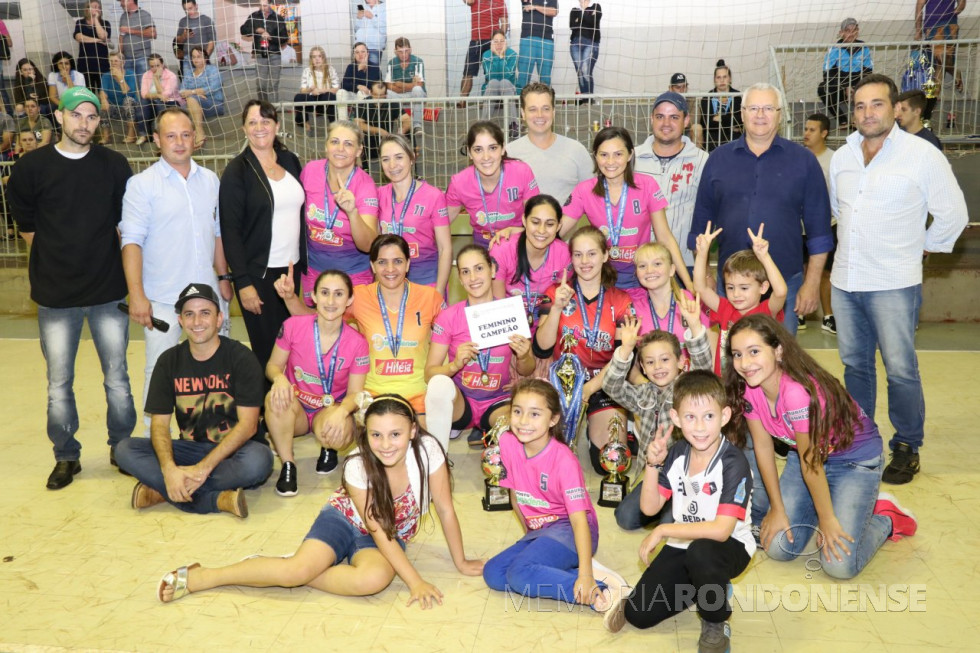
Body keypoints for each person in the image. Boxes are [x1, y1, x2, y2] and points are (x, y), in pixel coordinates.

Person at [156, 395, 484, 606]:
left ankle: (289, 569)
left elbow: (445, 509)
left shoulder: (428, 453)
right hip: (343, 521)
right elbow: (378, 528)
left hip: (384, 537)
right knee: (295, 571)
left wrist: (461, 561)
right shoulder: (358, 465)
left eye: (395, 434)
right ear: (365, 435)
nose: (385, 444)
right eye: (376, 435)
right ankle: (206, 575)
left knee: (372, 581)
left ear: (413, 431)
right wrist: (415, 582)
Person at [829, 73, 967, 485]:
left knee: (900, 368)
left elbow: (954, 214)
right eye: (860, 105)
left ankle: (907, 444)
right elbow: (840, 209)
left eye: (876, 104)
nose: (867, 112)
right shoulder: (842, 156)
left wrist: (923, 246)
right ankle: (860, 436)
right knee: (855, 366)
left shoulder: (921, 155)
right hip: (845, 280)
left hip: (893, 282)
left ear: (895, 108)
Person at [7, 86, 137, 490]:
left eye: (92, 116)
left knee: (117, 377)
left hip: (107, 291)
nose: (84, 123)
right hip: (55, 296)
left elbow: (123, 224)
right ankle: (66, 456)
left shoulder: (115, 165)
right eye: (76, 115)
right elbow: (27, 226)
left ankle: (122, 447)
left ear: (99, 122)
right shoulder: (31, 169)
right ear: (59, 117)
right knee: (58, 382)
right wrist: (58, 258)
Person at [726, 315, 918, 577]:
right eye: (737, 354)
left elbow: (811, 464)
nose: (744, 363)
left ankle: (885, 516)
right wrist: (778, 509)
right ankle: (832, 508)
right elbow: (762, 448)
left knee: (839, 566)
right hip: (805, 460)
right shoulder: (750, 389)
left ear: (778, 350)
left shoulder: (796, 392)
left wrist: (827, 521)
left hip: (855, 463)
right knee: (779, 547)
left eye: (754, 352)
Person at [603, 371, 754, 653]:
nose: (699, 427)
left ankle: (715, 620)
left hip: (728, 546)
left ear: (724, 416)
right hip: (683, 542)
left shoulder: (733, 461)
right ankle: (707, 587)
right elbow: (649, 508)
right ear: (675, 418)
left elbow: (721, 530)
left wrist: (663, 529)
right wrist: (652, 464)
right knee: (639, 615)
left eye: (709, 416)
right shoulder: (677, 453)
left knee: (702, 554)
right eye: (690, 417)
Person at [114, 283, 273, 517]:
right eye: (189, 314)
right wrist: (169, 470)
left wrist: (201, 470)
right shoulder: (168, 361)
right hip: (190, 449)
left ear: (219, 319)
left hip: (234, 452)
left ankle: (162, 492)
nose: (197, 321)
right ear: (181, 321)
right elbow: (159, 425)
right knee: (124, 449)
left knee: (259, 461)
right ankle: (216, 499)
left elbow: (248, 426)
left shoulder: (241, 358)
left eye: (205, 313)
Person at [690, 82, 833, 336]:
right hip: (730, 285)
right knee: (731, 361)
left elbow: (820, 233)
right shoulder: (718, 160)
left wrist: (811, 284)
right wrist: (707, 274)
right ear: (742, 112)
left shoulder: (804, 161)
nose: (760, 115)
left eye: (768, 108)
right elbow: (701, 225)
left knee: (782, 361)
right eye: (753, 108)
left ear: (780, 114)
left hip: (784, 284)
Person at [120, 107, 229, 434]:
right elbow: (131, 242)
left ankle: (213, 436)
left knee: (216, 370)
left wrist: (223, 278)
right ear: (156, 140)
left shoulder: (210, 179)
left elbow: (218, 233)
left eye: (186, 134)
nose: (179, 142)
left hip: (209, 297)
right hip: (163, 299)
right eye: (171, 136)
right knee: (159, 371)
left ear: (195, 138)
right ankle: (154, 442)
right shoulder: (141, 185)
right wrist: (137, 295)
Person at [483, 379, 626, 618]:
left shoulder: (564, 460)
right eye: (517, 411)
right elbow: (516, 495)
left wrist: (586, 576)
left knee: (520, 574)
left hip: (571, 527)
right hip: (542, 530)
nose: (524, 421)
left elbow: (579, 520)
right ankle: (575, 570)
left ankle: (599, 590)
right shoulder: (507, 442)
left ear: (553, 419)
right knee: (494, 573)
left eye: (535, 414)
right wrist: (529, 535)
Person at [600, 295, 713, 531]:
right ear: (642, 367)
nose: (658, 367)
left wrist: (694, 326)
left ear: (681, 362)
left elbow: (704, 366)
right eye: (650, 363)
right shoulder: (643, 394)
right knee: (625, 517)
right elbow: (611, 386)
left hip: (689, 478)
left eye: (664, 360)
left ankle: (683, 507)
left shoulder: (690, 388)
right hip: (656, 475)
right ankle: (663, 505)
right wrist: (626, 350)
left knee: (670, 527)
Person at [533, 226, 634, 473]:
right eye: (578, 255)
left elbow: (624, 356)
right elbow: (542, 348)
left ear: (605, 256)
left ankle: (623, 431)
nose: (585, 261)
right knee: (546, 458)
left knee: (609, 463)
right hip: (561, 384)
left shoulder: (621, 300)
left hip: (603, 384)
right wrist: (556, 308)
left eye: (591, 254)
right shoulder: (554, 294)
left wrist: (587, 389)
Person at [219, 100, 307, 372]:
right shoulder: (237, 171)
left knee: (294, 349)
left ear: (276, 126)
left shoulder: (291, 161)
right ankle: (265, 413)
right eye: (252, 122)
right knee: (268, 355)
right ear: (244, 128)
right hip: (259, 276)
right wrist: (242, 283)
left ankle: (289, 413)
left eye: (265, 121)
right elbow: (230, 231)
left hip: (293, 272)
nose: (259, 128)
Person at [265, 270, 369, 494]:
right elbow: (272, 366)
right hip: (298, 410)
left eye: (339, 294)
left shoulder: (358, 342)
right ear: (313, 296)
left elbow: (356, 394)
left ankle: (328, 446)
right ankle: (287, 464)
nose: (331, 301)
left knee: (342, 428)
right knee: (274, 397)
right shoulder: (293, 326)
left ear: (349, 300)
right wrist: (280, 378)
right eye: (325, 293)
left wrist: (342, 414)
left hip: (329, 410)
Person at [424, 245, 536, 449]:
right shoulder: (448, 317)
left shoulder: (510, 312)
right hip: (462, 403)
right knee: (438, 384)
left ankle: (496, 438)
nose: (473, 277)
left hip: (498, 401)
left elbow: (526, 370)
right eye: (465, 272)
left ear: (492, 270)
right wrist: (455, 365)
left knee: (517, 432)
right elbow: (429, 374)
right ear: (459, 278)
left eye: (479, 268)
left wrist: (524, 355)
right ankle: (436, 459)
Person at [562, 126, 693, 292]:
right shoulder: (584, 190)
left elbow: (665, 237)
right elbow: (556, 232)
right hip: (600, 277)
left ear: (630, 155)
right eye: (604, 155)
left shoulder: (647, 185)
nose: (610, 162)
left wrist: (688, 284)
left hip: (641, 277)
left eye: (618, 154)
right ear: (595, 156)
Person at [346, 235, 445, 417]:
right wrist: (290, 299)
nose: (390, 269)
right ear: (373, 266)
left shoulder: (429, 297)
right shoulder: (358, 296)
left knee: (421, 442)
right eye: (382, 262)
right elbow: (323, 318)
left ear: (408, 264)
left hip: (419, 395)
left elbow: (454, 334)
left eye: (398, 261)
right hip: (371, 395)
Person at [299, 120, 379, 297]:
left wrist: (352, 213)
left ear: (359, 151)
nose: (340, 149)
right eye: (334, 141)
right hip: (314, 273)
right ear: (326, 146)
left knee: (351, 325)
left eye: (348, 144)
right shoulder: (310, 171)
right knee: (315, 323)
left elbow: (368, 245)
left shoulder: (365, 185)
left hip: (354, 276)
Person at [694, 222, 786, 375]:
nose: (736, 294)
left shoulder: (765, 311)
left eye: (744, 288)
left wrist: (764, 257)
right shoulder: (724, 308)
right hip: (726, 384)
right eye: (730, 287)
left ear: (763, 287)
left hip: (756, 383)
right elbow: (700, 288)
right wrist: (703, 253)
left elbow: (781, 292)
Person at [634, 91, 709, 275]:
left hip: (686, 264)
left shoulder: (702, 161)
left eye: (674, 117)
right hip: (640, 265)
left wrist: (705, 271)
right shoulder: (632, 158)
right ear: (652, 118)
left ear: (686, 121)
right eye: (660, 116)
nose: (666, 124)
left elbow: (708, 215)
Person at [446, 120, 539, 249]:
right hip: (482, 244)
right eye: (478, 150)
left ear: (503, 149)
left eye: (493, 148)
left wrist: (515, 231)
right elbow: (441, 224)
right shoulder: (459, 183)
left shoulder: (521, 172)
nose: (486, 157)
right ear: (469, 153)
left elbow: (538, 219)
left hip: (519, 240)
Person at [377, 134, 452, 292]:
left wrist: (438, 291)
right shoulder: (377, 195)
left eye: (399, 157)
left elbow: (445, 249)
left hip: (427, 281)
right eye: (385, 159)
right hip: (390, 282)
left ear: (411, 159)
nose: (392, 165)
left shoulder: (434, 195)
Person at [490, 194, 571, 331]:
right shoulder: (501, 250)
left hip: (546, 323)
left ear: (558, 227)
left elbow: (560, 304)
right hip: (507, 324)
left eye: (550, 224)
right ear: (524, 220)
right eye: (535, 222)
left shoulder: (564, 253)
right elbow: (497, 305)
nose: (541, 230)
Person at [506, 83, 593, 205]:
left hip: (570, 223)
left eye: (546, 109)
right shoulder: (509, 153)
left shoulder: (577, 150)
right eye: (533, 109)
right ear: (523, 113)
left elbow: (593, 197)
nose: (540, 115)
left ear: (553, 112)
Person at [626, 242, 711, 361]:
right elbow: (631, 362)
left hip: (692, 376)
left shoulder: (692, 301)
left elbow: (711, 350)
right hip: (653, 377)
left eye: (657, 264)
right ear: (636, 274)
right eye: (642, 266)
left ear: (672, 270)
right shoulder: (633, 310)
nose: (649, 270)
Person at [801, 112, 837, 334]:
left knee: (825, 272)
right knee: (801, 271)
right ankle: (799, 313)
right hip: (798, 227)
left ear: (824, 133)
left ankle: (828, 316)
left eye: (812, 130)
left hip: (826, 226)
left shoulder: (834, 160)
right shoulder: (798, 158)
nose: (806, 133)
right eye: (805, 129)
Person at [818, 18, 873, 128]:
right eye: (847, 30)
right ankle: (842, 120)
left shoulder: (864, 48)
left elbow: (868, 71)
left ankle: (857, 118)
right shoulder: (834, 49)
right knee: (823, 88)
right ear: (841, 33)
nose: (851, 34)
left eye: (854, 30)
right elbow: (827, 73)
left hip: (858, 84)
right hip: (840, 85)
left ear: (857, 32)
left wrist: (856, 86)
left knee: (871, 86)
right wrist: (845, 86)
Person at [458, 0, 509, 105]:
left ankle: (490, 102)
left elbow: (504, 22)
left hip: (492, 42)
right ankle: (462, 101)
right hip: (476, 41)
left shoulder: (500, 2)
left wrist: (500, 40)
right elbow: (468, 1)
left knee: (491, 73)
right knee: (468, 73)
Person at [240, 0, 287, 103]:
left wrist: (270, 38)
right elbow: (243, 30)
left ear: (270, 4)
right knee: (261, 85)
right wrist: (256, 29)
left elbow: (284, 38)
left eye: (265, 5)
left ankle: (273, 109)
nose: (263, 8)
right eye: (260, 5)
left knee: (273, 84)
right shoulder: (253, 16)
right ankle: (263, 108)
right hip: (260, 54)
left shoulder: (278, 18)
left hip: (275, 54)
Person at [353, 80, 414, 160]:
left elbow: (407, 119)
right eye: (376, 95)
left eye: (381, 95)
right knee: (359, 135)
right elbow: (358, 124)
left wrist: (401, 131)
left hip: (387, 139)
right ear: (370, 92)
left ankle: (410, 161)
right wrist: (379, 130)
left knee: (408, 132)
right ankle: (365, 168)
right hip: (369, 141)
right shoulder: (363, 104)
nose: (378, 98)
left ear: (386, 94)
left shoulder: (392, 103)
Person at [915, 0, 966, 91]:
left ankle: (934, 97)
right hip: (934, 26)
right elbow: (919, 6)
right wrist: (918, 30)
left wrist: (951, 14)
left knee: (940, 62)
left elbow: (962, 4)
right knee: (940, 60)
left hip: (948, 26)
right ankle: (955, 72)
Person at [180, 46, 225, 148]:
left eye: (199, 56)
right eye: (194, 57)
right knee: (177, 110)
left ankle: (199, 133)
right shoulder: (188, 73)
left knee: (191, 98)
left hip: (214, 103)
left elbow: (214, 87)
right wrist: (197, 93)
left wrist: (192, 92)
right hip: (193, 104)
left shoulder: (212, 70)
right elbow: (182, 91)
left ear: (205, 58)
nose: (196, 59)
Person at [99, 51, 147, 145]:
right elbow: (102, 91)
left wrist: (120, 78)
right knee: (102, 105)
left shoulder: (130, 74)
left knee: (127, 101)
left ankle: (131, 135)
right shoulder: (106, 76)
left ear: (123, 62)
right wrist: (104, 100)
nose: (113, 63)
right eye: (111, 61)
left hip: (132, 106)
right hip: (116, 107)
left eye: (116, 61)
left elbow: (127, 92)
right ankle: (106, 137)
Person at [385, 37, 426, 142]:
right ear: (395, 52)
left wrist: (399, 84)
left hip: (415, 95)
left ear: (410, 49)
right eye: (400, 52)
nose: (404, 54)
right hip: (399, 96)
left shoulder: (418, 61)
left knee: (417, 89)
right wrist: (410, 85)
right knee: (387, 93)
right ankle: (403, 121)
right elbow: (388, 85)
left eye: (406, 51)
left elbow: (419, 84)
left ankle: (417, 125)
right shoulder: (391, 63)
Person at [293, 46, 339, 135]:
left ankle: (333, 125)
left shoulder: (330, 70)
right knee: (298, 97)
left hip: (324, 99)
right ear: (311, 59)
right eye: (314, 57)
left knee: (331, 96)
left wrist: (321, 90)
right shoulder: (307, 71)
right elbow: (302, 90)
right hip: (312, 98)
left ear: (323, 58)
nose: (317, 59)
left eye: (319, 56)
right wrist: (311, 89)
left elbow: (336, 88)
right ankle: (305, 124)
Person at [698, 59, 742, 152]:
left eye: (725, 77)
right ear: (714, 80)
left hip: (734, 137)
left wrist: (720, 118)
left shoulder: (738, 96)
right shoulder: (707, 98)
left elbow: (739, 119)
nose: (722, 80)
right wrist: (729, 121)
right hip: (712, 137)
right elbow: (707, 123)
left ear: (730, 79)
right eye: (718, 77)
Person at [515, 0, 559, 92]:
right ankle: (521, 104)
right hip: (528, 38)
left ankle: (545, 103)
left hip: (546, 40)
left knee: (545, 78)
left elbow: (553, 11)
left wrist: (535, 7)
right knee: (523, 76)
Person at [479, 29, 519, 126]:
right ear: (491, 43)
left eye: (502, 41)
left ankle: (513, 124)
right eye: (496, 41)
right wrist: (496, 56)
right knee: (493, 82)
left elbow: (508, 75)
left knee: (504, 82)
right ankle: (483, 124)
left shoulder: (512, 54)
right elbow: (490, 75)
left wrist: (501, 56)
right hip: (492, 88)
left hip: (508, 87)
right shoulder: (486, 55)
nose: (499, 44)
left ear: (505, 42)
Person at [73, 1, 111, 91]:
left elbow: (103, 36)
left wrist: (96, 19)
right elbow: (79, 37)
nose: (97, 9)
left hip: (102, 64)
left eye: (98, 7)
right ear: (87, 9)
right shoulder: (80, 22)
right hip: (85, 64)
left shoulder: (105, 23)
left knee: (103, 92)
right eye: (94, 6)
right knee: (88, 92)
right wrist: (97, 40)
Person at [569, 1, 601, 99]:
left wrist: (584, 10)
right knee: (580, 72)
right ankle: (585, 99)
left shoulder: (596, 6)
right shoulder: (574, 10)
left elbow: (593, 22)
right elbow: (572, 25)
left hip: (590, 43)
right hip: (575, 44)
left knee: (585, 70)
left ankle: (589, 99)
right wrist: (586, 15)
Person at [117, 0, 156, 80]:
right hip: (126, 58)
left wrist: (130, 30)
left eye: (122, 1)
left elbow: (153, 34)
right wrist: (119, 54)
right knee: (130, 86)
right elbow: (121, 37)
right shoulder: (123, 16)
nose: (121, 4)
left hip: (142, 58)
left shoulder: (144, 14)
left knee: (143, 86)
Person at [175, 0, 216, 74]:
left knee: (204, 81)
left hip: (202, 57)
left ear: (196, 6)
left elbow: (212, 42)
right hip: (187, 59)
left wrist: (204, 58)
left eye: (190, 8)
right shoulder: (183, 21)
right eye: (186, 10)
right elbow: (178, 42)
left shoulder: (207, 20)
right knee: (188, 83)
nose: (188, 11)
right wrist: (184, 36)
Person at [141, 54, 184, 120]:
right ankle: (144, 130)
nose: (155, 68)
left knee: (159, 102)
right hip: (152, 101)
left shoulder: (171, 76)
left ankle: (161, 127)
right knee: (143, 104)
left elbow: (165, 95)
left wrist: (156, 79)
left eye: (158, 65)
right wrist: (158, 95)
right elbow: (144, 94)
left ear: (162, 64)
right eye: (152, 66)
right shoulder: (146, 75)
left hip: (171, 102)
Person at [667, 72, 704, 145]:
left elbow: (695, 120)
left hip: (686, 131)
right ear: (670, 88)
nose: (681, 90)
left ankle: (696, 156)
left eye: (684, 86)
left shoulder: (692, 99)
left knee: (697, 128)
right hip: (669, 129)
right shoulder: (664, 100)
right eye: (678, 87)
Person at [354, 0, 387, 67]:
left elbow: (384, 29)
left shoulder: (385, 8)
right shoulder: (363, 7)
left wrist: (372, 17)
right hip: (359, 47)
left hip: (374, 48)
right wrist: (359, 18)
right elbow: (356, 29)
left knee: (372, 72)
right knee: (359, 72)